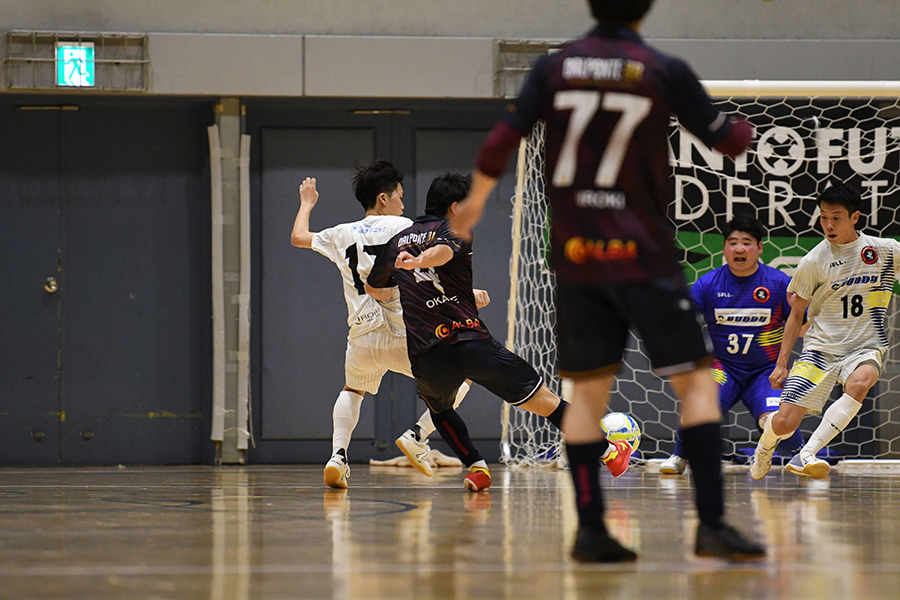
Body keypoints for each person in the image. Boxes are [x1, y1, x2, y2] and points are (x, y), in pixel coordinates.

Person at [448, 0, 765, 562]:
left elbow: (500, 140)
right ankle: (712, 524)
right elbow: (730, 141)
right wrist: (741, 127)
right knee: (696, 384)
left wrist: (473, 204)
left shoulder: (554, 67)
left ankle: (591, 530)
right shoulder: (662, 68)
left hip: (578, 259)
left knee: (587, 396)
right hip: (644, 256)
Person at [367, 173, 635, 492]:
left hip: (427, 353)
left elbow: (374, 288)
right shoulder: (455, 229)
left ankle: (477, 468)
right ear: (455, 207)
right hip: (469, 342)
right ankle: (609, 453)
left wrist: (413, 289)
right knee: (546, 400)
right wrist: (421, 261)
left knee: (439, 408)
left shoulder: (397, 242)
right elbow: (443, 253)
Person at [290, 161, 470, 489]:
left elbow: (299, 237)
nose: (403, 201)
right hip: (403, 331)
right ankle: (418, 436)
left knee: (353, 390)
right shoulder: (406, 227)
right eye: (399, 195)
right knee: (465, 375)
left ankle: (338, 456)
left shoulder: (341, 232)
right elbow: (433, 268)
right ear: (384, 198)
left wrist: (307, 203)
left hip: (362, 334)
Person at [750, 182, 900, 480]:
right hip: (820, 351)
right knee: (785, 423)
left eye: (836, 218)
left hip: (865, 346)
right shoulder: (813, 261)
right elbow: (796, 316)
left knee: (861, 382)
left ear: (854, 217)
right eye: (823, 217)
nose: (828, 225)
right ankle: (765, 447)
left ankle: (806, 454)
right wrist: (781, 363)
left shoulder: (884, 250)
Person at [659, 216, 805, 474]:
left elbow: (803, 330)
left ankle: (801, 458)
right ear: (724, 248)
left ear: (760, 248)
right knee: (700, 404)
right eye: (733, 242)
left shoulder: (779, 282)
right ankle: (679, 456)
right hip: (723, 368)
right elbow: (683, 326)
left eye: (746, 243)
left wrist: (801, 311)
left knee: (774, 419)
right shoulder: (707, 284)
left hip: (765, 371)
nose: (739, 249)